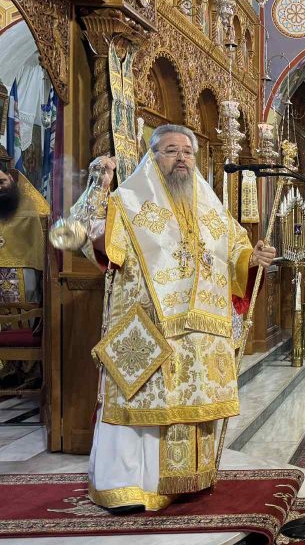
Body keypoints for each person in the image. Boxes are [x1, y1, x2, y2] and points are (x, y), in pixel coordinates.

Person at [84, 125, 276, 513]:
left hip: (197, 334)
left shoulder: (209, 206)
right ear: (153, 158)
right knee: (141, 404)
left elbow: (235, 251)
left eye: (187, 151)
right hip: (149, 327)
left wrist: (252, 258)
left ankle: (187, 480)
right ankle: (127, 485)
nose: (182, 158)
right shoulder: (130, 201)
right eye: (171, 151)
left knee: (188, 402)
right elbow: (98, 243)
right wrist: (99, 188)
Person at [0, 149, 49, 389]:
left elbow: (45, 217)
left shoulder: (28, 200)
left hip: (24, 269)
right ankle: (8, 369)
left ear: (11, 177)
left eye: (1, 181)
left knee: (24, 315)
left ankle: (30, 372)